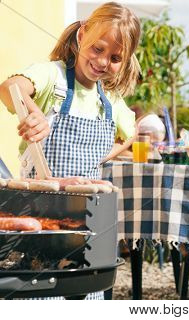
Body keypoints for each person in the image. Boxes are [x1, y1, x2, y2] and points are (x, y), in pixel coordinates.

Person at [0, 2, 140, 298]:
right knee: (40, 293)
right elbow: (10, 87)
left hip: (90, 223)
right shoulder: (53, 77)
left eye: (115, 58)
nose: (103, 62)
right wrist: (32, 113)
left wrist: (103, 156)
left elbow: (131, 132)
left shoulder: (110, 100)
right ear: (82, 36)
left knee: (85, 293)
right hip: (41, 219)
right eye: (98, 49)